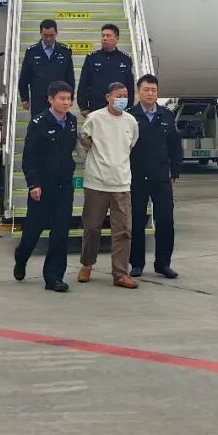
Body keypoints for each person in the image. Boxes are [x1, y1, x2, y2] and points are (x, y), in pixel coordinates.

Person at [12, 81, 78, 292]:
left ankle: (54, 277)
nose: (66, 102)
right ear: (50, 99)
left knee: (60, 233)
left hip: (64, 187)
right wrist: (33, 184)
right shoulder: (38, 122)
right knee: (33, 231)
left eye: (69, 99)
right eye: (62, 98)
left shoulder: (72, 121)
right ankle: (21, 257)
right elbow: (29, 157)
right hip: (42, 188)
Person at [78, 83, 139, 288]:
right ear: (107, 97)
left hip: (122, 183)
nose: (123, 99)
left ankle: (120, 273)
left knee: (123, 230)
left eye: (125, 96)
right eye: (118, 96)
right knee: (92, 227)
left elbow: (131, 145)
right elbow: (84, 141)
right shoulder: (94, 118)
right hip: (96, 182)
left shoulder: (131, 121)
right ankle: (87, 264)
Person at [128, 74, 183, 278]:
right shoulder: (130, 116)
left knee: (165, 220)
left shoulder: (166, 115)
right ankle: (136, 263)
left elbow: (175, 144)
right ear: (138, 91)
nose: (150, 93)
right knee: (136, 221)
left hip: (161, 177)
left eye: (153, 90)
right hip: (136, 177)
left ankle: (163, 263)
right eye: (146, 89)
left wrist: (175, 169)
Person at [18, 19, 75, 117]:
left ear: (56, 33)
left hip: (59, 98)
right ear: (40, 33)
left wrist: (71, 97)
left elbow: (69, 77)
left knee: (59, 123)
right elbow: (24, 77)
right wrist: (24, 98)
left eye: (51, 35)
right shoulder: (32, 52)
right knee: (38, 125)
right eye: (45, 35)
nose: (48, 39)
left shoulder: (65, 51)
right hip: (38, 99)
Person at [77, 24, 134, 115]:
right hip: (96, 107)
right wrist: (83, 106)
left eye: (108, 36)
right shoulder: (92, 58)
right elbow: (83, 83)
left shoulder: (125, 59)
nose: (104, 38)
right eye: (103, 36)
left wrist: (129, 107)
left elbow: (129, 85)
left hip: (118, 107)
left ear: (117, 38)